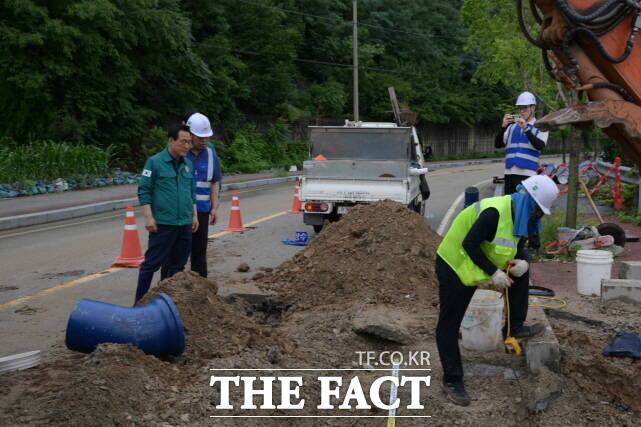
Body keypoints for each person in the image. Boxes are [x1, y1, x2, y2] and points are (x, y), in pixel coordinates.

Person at [434, 175, 559, 406]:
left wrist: (523, 262)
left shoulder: (519, 215)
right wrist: (494, 272)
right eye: (538, 211)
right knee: (449, 324)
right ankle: (452, 380)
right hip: (454, 265)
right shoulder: (494, 213)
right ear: (530, 203)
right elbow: (469, 244)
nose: (538, 216)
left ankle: (514, 327)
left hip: (476, 263)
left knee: (521, 274)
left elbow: (516, 247)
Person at [134, 124, 198, 305]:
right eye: (183, 142)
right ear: (171, 141)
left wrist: (193, 216)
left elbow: (190, 192)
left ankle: (169, 305)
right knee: (151, 264)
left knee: (178, 267)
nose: (187, 146)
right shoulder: (154, 162)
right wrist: (148, 217)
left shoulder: (188, 164)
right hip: (163, 223)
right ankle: (139, 303)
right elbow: (144, 190)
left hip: (184, 223)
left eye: (189, 142)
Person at [160, 112, 222, 278]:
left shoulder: (210, 152)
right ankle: (168, 287)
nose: (204, 141)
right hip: (178, 211)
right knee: (173, 252)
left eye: (206, 138)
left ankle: (201, 289)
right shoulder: (177, 151)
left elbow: (214, 181)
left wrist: (214, 207)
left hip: (201, 210)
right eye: (199, 137)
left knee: (199, 251)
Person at [495, 91, 549, 254]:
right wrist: (503, 126)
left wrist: (526, 129)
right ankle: (516, 245)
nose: (522, 111)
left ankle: (533, 246)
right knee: (510, 210)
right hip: (510, 173)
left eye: (525, 108)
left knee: (529, 211)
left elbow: (540, 145)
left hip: (528, 175)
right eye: (520, 108)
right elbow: (498, 144)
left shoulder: (540, 126)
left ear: (532, 107)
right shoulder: (511, 128)